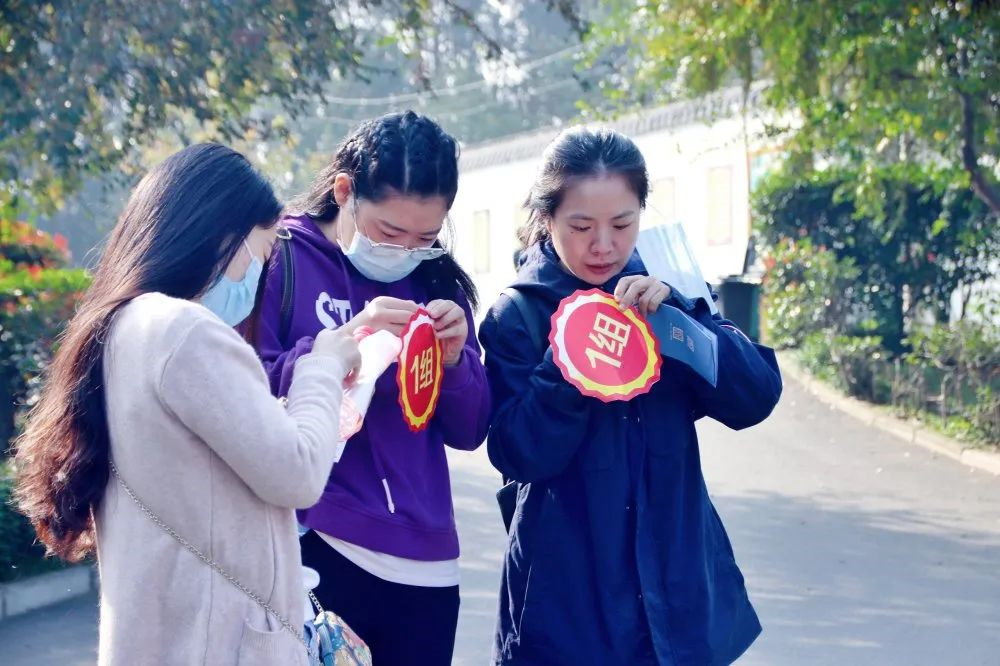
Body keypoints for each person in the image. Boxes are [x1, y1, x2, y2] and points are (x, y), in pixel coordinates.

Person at [12, 144, 361, 665]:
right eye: (261, 257)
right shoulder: (185, 330)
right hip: (216, 644)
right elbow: (298, 473)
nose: (258, 278)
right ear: (223, 236)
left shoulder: (124, 326)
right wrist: (323, 366)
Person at [479, 127, 783, 665]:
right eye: (581, 226)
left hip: (676, 605)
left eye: (622, 224)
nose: (604, 245)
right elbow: (518, 452)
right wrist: (570, 361)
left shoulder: (665, 291)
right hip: (567, 614)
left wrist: (682, 323)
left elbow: (755, 397)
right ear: (547, 220)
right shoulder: (519, 315)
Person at [255, 110, 491, 666]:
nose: (404, 249)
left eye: (425, 237)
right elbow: (244, 385)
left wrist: (455, 363)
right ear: (345, 191)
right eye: (389, 232)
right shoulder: (281, 258)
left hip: (429, 562)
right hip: (321, 543)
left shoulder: (435, 280)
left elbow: (470, 428)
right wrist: (342, 344)